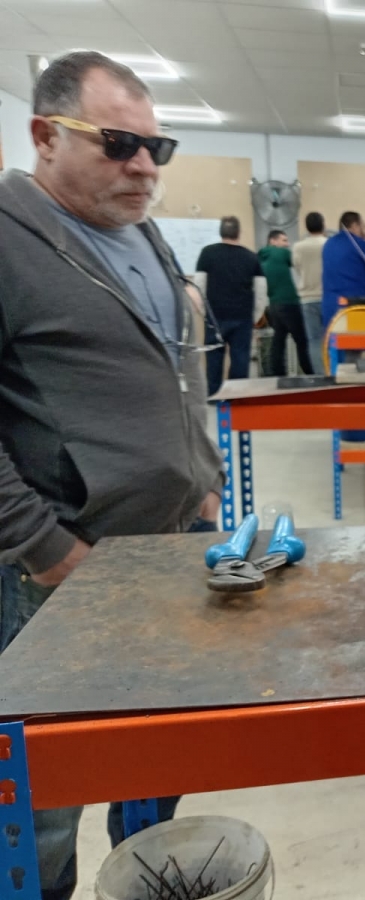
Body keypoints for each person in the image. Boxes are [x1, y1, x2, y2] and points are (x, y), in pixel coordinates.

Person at [0, 50, 225, 900]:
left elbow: (178, 363)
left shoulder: (138, 228)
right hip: (60, 571)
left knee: (155, 751)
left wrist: (202, 475)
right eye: (119, 144)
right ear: (43, 135)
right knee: (41, 801)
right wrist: (43, 547)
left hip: (169, 552)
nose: (143, 167)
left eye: (157, 149)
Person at [195, 215, 266, 395]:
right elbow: (261, 292)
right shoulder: (251, 257)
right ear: (239, 233)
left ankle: (214, 395)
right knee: (241, 359)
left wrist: (204, 311)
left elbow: (199, 286)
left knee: (213, 358)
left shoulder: (207, 253)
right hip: (242, 316)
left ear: (220, 232)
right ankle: (237, 396)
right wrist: (255, 316)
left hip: (215, 316)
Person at [321, 210, 365, 328]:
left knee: (333, 344)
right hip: (354, 306)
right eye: (363, 227)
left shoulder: (328, 245)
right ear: (355, 226)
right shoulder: (361, 245)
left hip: (329, 307)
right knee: (359, 344)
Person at [258, 229, 314, 376]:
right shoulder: (280, 253)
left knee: (279, 340)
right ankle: (311, 373)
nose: (287, 244)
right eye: (284, 240)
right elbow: (299, 261)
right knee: (302, 341)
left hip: (274, 306)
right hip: (290, 303)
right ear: (273, 241)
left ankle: (276, 375)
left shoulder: (262, 257)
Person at [293, 211, 327, 373]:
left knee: (314, 340)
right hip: (327, 297)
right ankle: (333, 373)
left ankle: (319, 377)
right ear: (323, 225)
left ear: (306, 226)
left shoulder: (298, 247)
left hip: (307, 298)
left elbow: (298, 268)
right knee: (331, 339)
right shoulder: (328, 244)